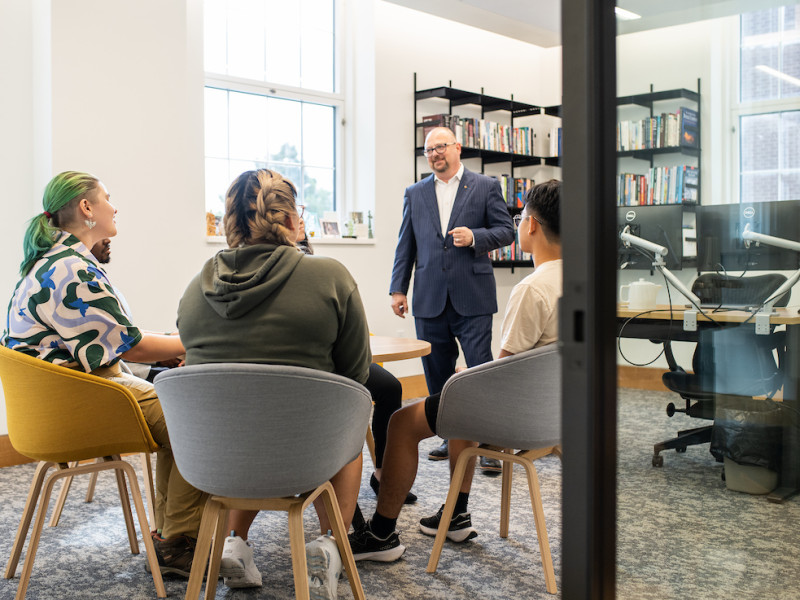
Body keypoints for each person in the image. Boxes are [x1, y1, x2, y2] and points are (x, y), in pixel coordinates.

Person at [2, 171, 208, 576]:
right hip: (82, 405)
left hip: (57, 404)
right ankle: (178, 541)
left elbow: (114, 340)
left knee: (176, 401)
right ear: (86, 208)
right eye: (108, 198)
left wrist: (169, 349)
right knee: (195, 417)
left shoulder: (51, 262)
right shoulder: (72, 268)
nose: (115, 207)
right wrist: (196, 343)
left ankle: (173, 537)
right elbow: (131, 346)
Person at [176, 168, 369, 599]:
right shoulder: (330, 277)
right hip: (307, 457)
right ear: (290, 220)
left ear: (230, 224)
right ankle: (329, 544)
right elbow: (356, 378)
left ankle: (234, 543)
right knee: (351, 416)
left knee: (248, 419)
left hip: (219, 461)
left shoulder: (193, 291)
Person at [350, 179, 562, 561]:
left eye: (520, 217)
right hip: (554, 416)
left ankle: (380, 535)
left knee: (401, 422)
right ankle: (456, 515)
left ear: (531, 225)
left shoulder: (534, 289)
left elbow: (505, 371)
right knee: (461, 392)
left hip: (515, 419)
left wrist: (466, 377)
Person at [389, 126, 515, 467]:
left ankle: (488, 443)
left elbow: (507, 231)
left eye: (440, 147)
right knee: (436, 373)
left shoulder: (486, 186)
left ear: (457, 147)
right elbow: (406, 245)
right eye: (428, 150)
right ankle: (449, 434)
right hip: (429, 298)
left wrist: (475, 237)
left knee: (478, 370)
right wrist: (398, 288)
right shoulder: (414, 193)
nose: (434, 154)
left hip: (472, 295)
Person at [296, 210, 416, 504]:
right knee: (345, 398)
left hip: (334, 353)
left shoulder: (317, 264)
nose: (300, 220)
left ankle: (382, 473)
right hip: (307, 361)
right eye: (293, 215)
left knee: (389, 387)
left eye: (301, 215)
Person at [90, 238, 182, 382]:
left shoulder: (98, 280)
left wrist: (170, 336)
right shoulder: (85, 282)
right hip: (122, 374)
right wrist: (186, 343)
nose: (108, 240)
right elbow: (127, 346)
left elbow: (125, 332)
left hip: (128, 368)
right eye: (100, 236)